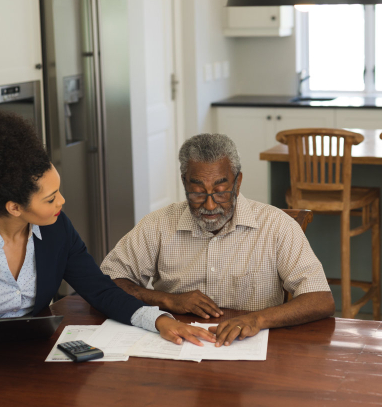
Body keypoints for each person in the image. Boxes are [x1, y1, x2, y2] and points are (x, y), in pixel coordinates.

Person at [0, 107, 213, 379]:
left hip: (28, 365)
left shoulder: (57, 230)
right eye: (50, 198)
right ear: (14, 207)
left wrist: (159, 320)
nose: (62, 201)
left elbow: (101, 290)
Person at [101, 133, 335, 347]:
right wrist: (168, 300)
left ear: (238, 182)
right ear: (184, 183)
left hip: (252, 348)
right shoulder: (158, 224)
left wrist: (258, 319)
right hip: (178, 346)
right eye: (198, 193)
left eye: (221, 191)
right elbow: (107, 281)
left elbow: (320, 300)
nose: (210, 205)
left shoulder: (276, 225)